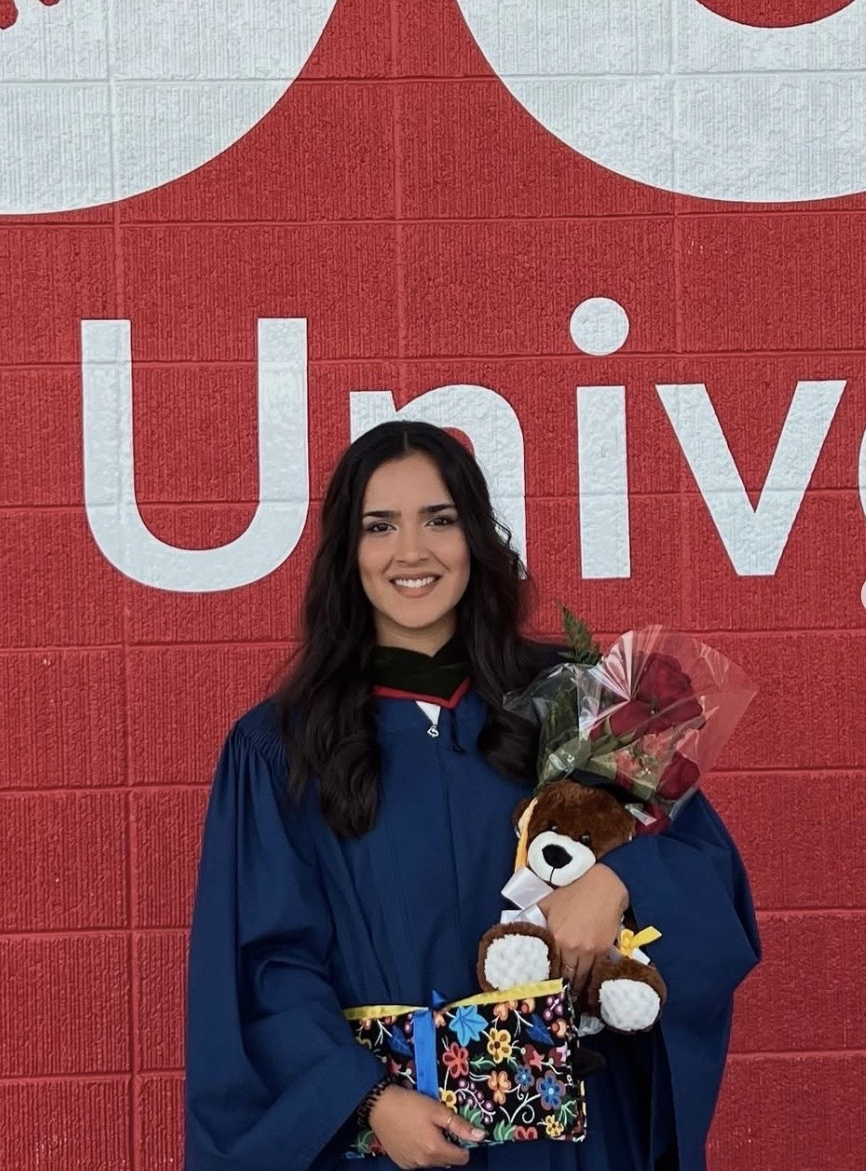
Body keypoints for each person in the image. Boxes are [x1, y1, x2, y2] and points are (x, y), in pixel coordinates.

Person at [184, 421, 760, 1171]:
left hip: (566, 1142)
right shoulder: (284, 746)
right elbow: (265, 965)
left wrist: (621, 884)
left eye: (440, 520)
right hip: (391, 1138)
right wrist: (367, 1100)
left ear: (476, 537)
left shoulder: (577, 703)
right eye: (379, 526)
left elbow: (706, 871)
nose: (412, 551)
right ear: (346, 553)